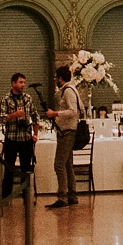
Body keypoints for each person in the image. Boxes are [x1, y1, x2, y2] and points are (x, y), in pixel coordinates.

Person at [0, 73, 40, 199]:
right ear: (13, 83)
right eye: (20, 82)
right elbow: (1, 118)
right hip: (11, 139)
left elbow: (35, 116)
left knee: (26, 170)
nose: (23, 85)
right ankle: (6, 197)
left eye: (24, 82)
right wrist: (14, 115)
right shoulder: (6, 99)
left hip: (26, 139)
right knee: (9, 169)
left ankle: (27, 197)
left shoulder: (27, 98)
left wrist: (35, 134)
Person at [46, 66, 85, 209]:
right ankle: (72, 195)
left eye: (57, 77)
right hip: (67, 130)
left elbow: (73, 111)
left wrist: (55, 114)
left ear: (60, 78)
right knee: (68, 164)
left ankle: (62, 196)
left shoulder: (68, 91)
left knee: (59, 164)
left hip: (67, 131)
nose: (56, 80)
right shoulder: (73, 90)